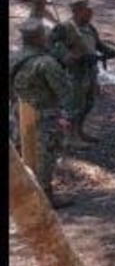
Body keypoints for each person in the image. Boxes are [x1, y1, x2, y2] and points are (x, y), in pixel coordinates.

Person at [10, 18, 77, 208]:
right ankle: (45, 196)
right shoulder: (46, 63)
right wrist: (67, 114)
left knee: (22, 152)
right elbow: (65, 92)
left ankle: (20, 193)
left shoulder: (13, 58)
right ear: (39, 38)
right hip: (45, 114)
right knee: (45, 156)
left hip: (19, 111)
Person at [50, 0, 115, 143]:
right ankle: (69, 138)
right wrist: (65, 55)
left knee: (88, 103)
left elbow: (99, 46)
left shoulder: (89, 28)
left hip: (90, 71)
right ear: (78, 11)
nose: (91, 12)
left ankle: (79, 131)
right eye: (87, 10)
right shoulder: (65, 28)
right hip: (73, 74)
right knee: (73, 106)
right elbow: (50, 45)